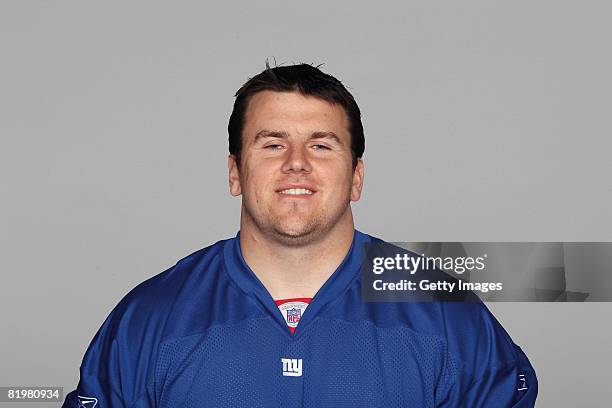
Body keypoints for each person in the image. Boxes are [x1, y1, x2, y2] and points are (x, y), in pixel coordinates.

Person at [63, 63, 538, 407]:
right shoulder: (151, 317)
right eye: (272, 144)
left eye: (320, 144)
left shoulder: (443, 312)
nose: (297, 162)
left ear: (356, 176)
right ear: (234, 172)